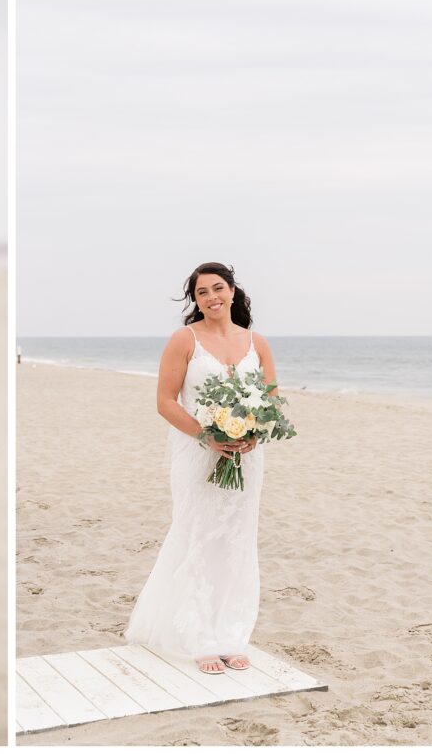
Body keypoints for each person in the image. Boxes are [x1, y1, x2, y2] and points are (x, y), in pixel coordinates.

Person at [124, 262, 279, 675]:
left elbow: (270, 400)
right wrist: (206, 435)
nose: (212, 297)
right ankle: (198, 636)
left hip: (245, 459)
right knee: (197, 536)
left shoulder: (256, 342)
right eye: (202, 292)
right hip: (198, 454)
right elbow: (166, 401)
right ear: (195, 299)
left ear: (233, 292)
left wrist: (254, 433)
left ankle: (230, 632)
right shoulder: (184, 340)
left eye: (218, 288)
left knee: (236, 539)